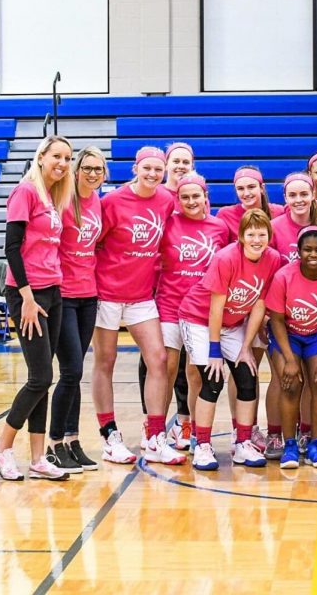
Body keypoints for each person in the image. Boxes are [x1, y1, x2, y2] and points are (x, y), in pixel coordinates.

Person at [91, 146, 184, 465]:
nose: (153, 174)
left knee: (158, 359)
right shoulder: (112, 202)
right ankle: (109, 435)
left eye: (159, 170)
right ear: (135, 168)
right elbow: (93, 241)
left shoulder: (166, 201)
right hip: (107, 293)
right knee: (106, 361)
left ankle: (155, 436)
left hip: (142, 295)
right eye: (147, 168)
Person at [0, 135, 73, 481]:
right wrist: (25, 296)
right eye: (56, 155)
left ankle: (38, 458)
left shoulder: (53, 197)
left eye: (68, 158)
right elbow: (11, 248)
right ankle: (2, 446)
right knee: (41, 377)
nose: (63, 163)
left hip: (53, 291)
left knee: (43, 379)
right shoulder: (24, 192)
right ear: (40, 157)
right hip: (29, 294)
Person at [179, 209, 282, 469]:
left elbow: (259, 304)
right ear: (241, 236)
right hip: (200, 320)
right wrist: (215, 351)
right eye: (251, 234)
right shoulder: (226, 258)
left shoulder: (272, 259)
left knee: (248, 376)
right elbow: (216, 307)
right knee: (212, 381)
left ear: (269, 235)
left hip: (234, 323)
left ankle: (242, 443)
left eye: (262, 234)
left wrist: (246, 348)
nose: (257, 239)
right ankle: (202, 444)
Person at [153, 173, 227, 456]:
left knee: (195, 371)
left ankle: (194, 431)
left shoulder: (219, 227)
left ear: (205, 197)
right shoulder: (168, 224)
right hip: (170, 305)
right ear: (177, 199)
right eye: (185, 197)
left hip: (203, 312)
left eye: (196, 196)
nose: (191, 201)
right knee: (167, 369)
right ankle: (157, 432)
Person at [265, 226, 317, 468]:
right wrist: (290, 360)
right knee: (290, 385)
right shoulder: (284, 276)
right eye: (308, 250)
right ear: (299, 252)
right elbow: (277, 320)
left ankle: (315, 445)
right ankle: (290, 445)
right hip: (287, 334)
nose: (313, 254)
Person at [45, 145, 106, 474]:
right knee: (70, 371)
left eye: (99, 169)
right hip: (63, 296)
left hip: (89, 295)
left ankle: (72, 439)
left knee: (76, 371)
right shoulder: (62, 197)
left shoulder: (98, 201)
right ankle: (53, 444)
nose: (93, 173)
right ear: (76, 169)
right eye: (88, 168)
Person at [267, 172, 317, 457]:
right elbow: (267, 270)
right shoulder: (275, 232)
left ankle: (312, 438)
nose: (298, 199)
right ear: (284, 198)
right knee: (287, 379)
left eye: (303, 194)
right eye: (292, 194)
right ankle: (282, 440)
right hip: (283, 319)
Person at [138, 141, 201, 450]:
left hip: (191, 298)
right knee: (158, 362)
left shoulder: (196, 198)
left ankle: (183, 422)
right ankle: (152, 424)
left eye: (185, 161)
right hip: (154, 292)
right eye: (175, 161)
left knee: (189, 366)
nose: (180, 166)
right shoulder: (157, 198)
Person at [218, 166, 285, 241]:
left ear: (262, 188)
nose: (246, 193)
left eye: (251, 187)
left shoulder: (279, 212)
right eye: (240, 189)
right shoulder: (225, 215)